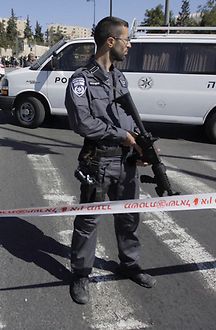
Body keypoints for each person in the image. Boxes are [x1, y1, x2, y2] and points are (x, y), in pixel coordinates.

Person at [65, 16, 156, 305]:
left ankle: (129, 265)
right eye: (126, 39)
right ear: (110, 41)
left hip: (126, 163)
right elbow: (83, 123)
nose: (130, 45)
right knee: (89, 221)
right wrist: (122, 136)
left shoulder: (119, 77)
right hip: (99, 162)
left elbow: (127, 118)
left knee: (129, 217)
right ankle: (80, 274)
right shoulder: (81, 80)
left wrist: (139, 147)